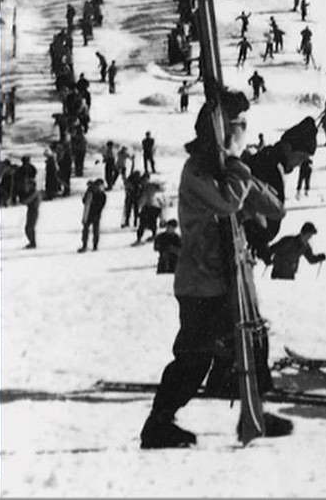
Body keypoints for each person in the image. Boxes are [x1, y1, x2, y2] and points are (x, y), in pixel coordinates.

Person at [140, 89, 291, 449]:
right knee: (194, 359)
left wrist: (248, 171)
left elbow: (274, 208)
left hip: (222, 280)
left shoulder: (226, 170)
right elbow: (228, 201)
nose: (245, 134)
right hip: (200, 283)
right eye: (240, 128)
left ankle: (251, 413)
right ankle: (158, 424)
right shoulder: (196, 171)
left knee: (252, 343)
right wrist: (237, 167)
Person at [79, 179, 107, 252]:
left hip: (95, 214)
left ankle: (95, 245)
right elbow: (84, 201)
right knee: (86, 229)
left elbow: (101, 205)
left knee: (95, 230)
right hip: (89, 213)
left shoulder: (102, 195)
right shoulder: (90, 193)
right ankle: (85, 244)